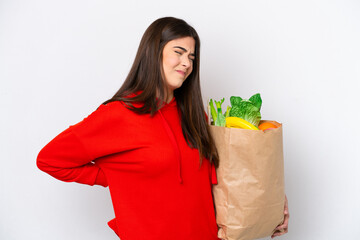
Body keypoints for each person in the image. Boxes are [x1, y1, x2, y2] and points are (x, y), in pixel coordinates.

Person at [37, 17, 289, 239]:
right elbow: (50, 160)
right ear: (153, 52)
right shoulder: (118, 114)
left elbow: (219, 177)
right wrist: (115, 177)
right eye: (178, 52)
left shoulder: (192, 114)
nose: (187, 63)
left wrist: (271, 204)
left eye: (191, 57)